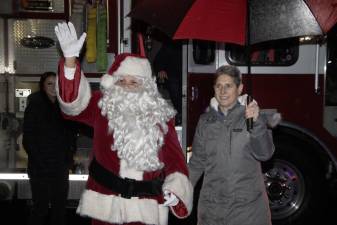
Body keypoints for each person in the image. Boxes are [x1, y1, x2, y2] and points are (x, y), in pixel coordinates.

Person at [54, 22, 193, 225]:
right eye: (122, 81)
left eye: (134, 82)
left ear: (145, 86)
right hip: (106, 208)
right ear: (113, 83)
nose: (127, 87)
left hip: (145, 210)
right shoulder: (102, 106)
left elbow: (175, 160)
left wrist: (176, 190)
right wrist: (69, 61)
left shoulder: (160, 116)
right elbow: (73, 105)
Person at [188, 65, 275, 225]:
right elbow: (197, 163)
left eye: (228, 86)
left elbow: (265, 153)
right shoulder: (205, 121)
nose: (223, 91)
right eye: (218, 86)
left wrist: (257, 124)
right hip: (212, 210)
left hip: (246, 210)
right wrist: (181, 190)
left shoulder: (251, 117)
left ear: (239, 88)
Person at [22, 71, 77, 225]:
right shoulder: (35, 106)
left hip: (60, 167)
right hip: (40, 169)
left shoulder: (64, 106)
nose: (53, 87)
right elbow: (28, 139)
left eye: (56, 83)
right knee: (40, 209)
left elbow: (70, 134)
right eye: (49, 84)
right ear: (43, 86)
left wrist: (69, 157)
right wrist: (40, 163)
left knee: (60, 210)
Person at [153, 37, 182, 125]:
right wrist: (160, 69)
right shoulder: (171, 43)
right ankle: (180, 113)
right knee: (174, 85)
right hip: (173, 77)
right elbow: (158, 60)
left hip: (188, 76)